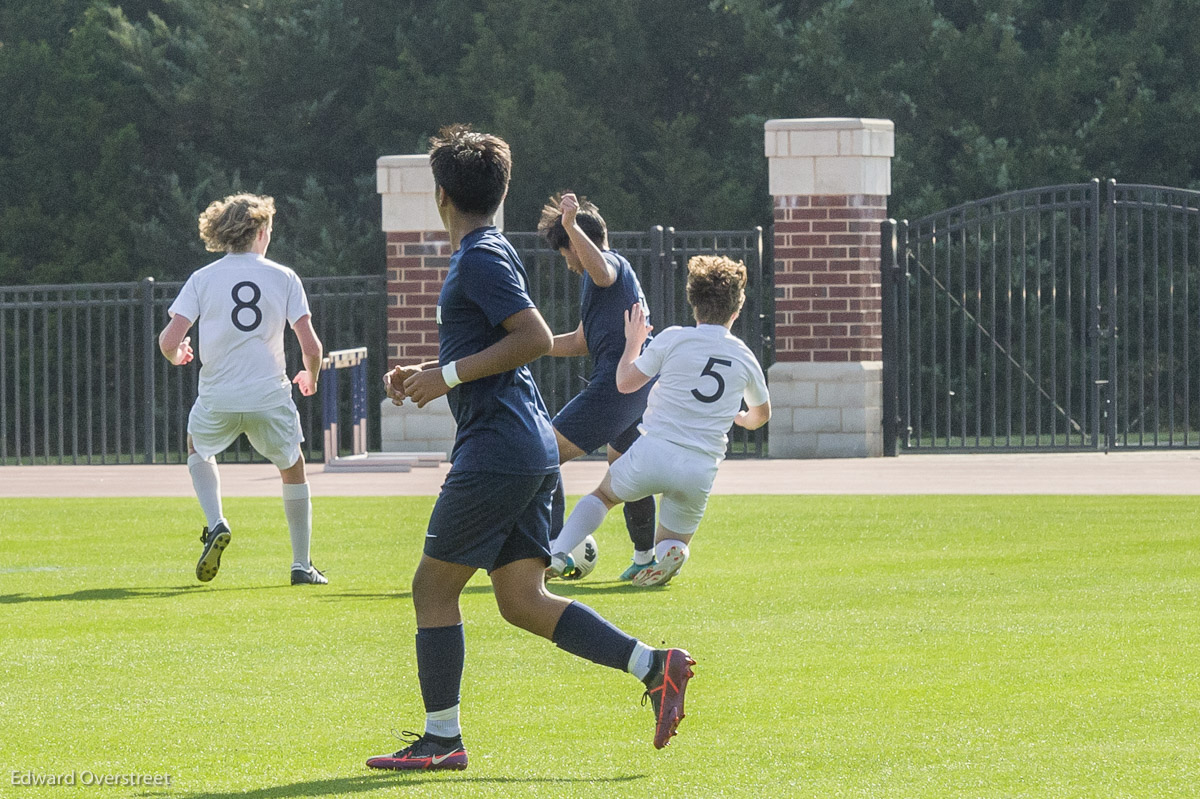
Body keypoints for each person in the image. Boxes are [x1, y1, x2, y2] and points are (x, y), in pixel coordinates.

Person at [366, 125, 693, 772]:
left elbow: (535, 337)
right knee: (521, 599)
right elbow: (499, 344)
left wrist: (448, 377)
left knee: (432, 587)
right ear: (502, 193)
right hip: (525, 444)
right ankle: (656, 667)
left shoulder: (478, 256)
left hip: (500, 449)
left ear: (440, 196)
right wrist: (428, 372)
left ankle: (441, 739)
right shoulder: (489, 250)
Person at [549, 255, 771, 588]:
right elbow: (761, 415)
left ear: (692, 302)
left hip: (654, 452)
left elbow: (625, 383)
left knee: (603, 497)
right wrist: (743, 418)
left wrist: (633, 343)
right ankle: (674, 553)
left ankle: (559, 551)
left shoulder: (673, 338)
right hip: (700, 467)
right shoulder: (744, 356)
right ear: (736, 312)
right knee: (672, 539)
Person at [158, 193, 327, 587]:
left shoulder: (202, 278)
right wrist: (311, 376)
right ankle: (301, 565)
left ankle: (216, 522)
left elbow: (169, 340)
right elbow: (312, 348)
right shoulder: (284, 277)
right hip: (269, 394)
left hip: (218, 395)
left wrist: (178, 354)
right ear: (262, 232)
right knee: (293, 466)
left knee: (198, 447)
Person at [536, 192, 657, 581]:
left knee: (544, 454)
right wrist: (527, 347)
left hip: (616, 388)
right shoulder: (599, 283)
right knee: (626, 474)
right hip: (633, 386)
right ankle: (645, 558)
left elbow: (602, 269)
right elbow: (581, 341)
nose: (568, 262)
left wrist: (569, 225)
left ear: (576, 243)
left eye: (565, 252)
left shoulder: (609, 268)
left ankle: (556, 549)